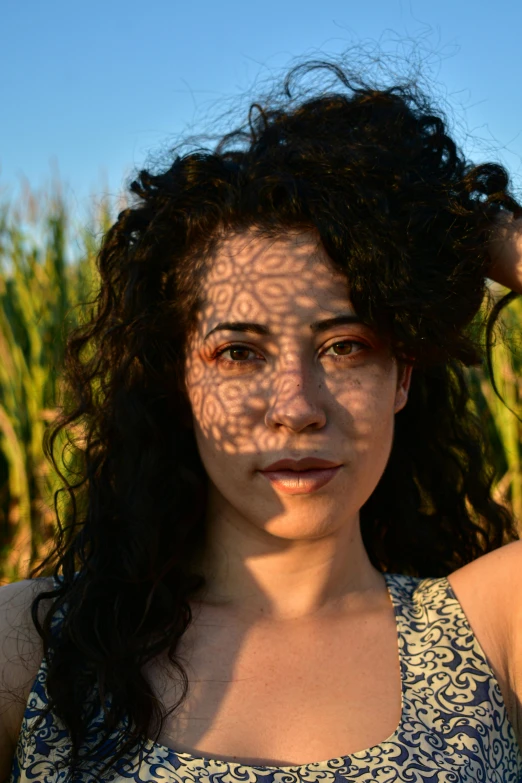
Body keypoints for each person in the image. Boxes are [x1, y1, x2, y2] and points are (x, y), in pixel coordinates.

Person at [1, 57, 522, 783]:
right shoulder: (40, 646)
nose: (298, 406)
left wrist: (463, 223)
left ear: (403, 372)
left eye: (346, 346)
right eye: (239, 352)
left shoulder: (493, 630)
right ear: (179, 376)